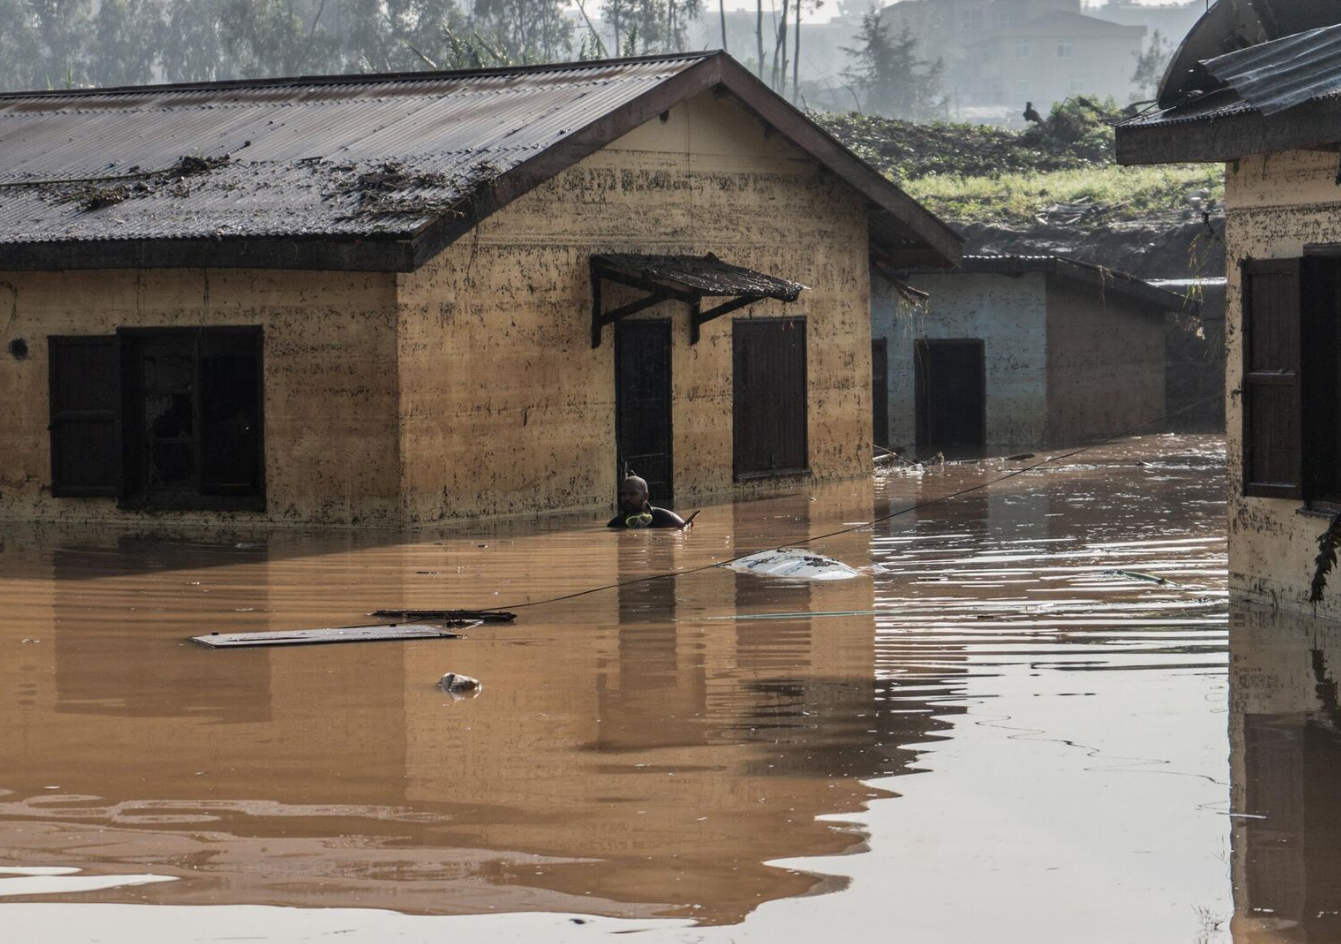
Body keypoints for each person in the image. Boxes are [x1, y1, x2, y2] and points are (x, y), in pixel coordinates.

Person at [607, 475, 686, 529]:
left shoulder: (665, 518)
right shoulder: (615, 524)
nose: (626, 498)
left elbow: (685, 527)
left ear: (645, 496)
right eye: (623, 494)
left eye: (632, 494)